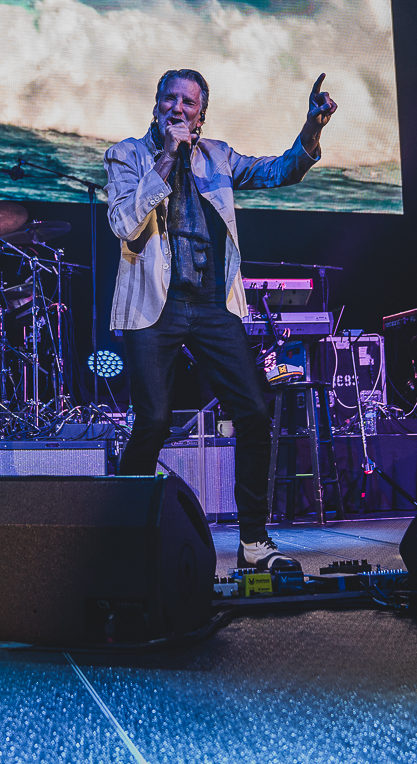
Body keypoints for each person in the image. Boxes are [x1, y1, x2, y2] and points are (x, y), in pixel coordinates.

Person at [107, 69, 336, 571]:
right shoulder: (127, 155)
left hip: (212, 305)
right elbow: (124, 223)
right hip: (155, 306)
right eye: (170, 98)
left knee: (253, 412)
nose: (179, 109)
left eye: (189, 103)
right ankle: (122, 535)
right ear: (156, 105)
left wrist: (312, 129)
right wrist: (167, 156)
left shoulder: (219, 156)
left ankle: (254, 541)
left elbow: (282, 172)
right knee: (153, 420)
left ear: (202, 114)